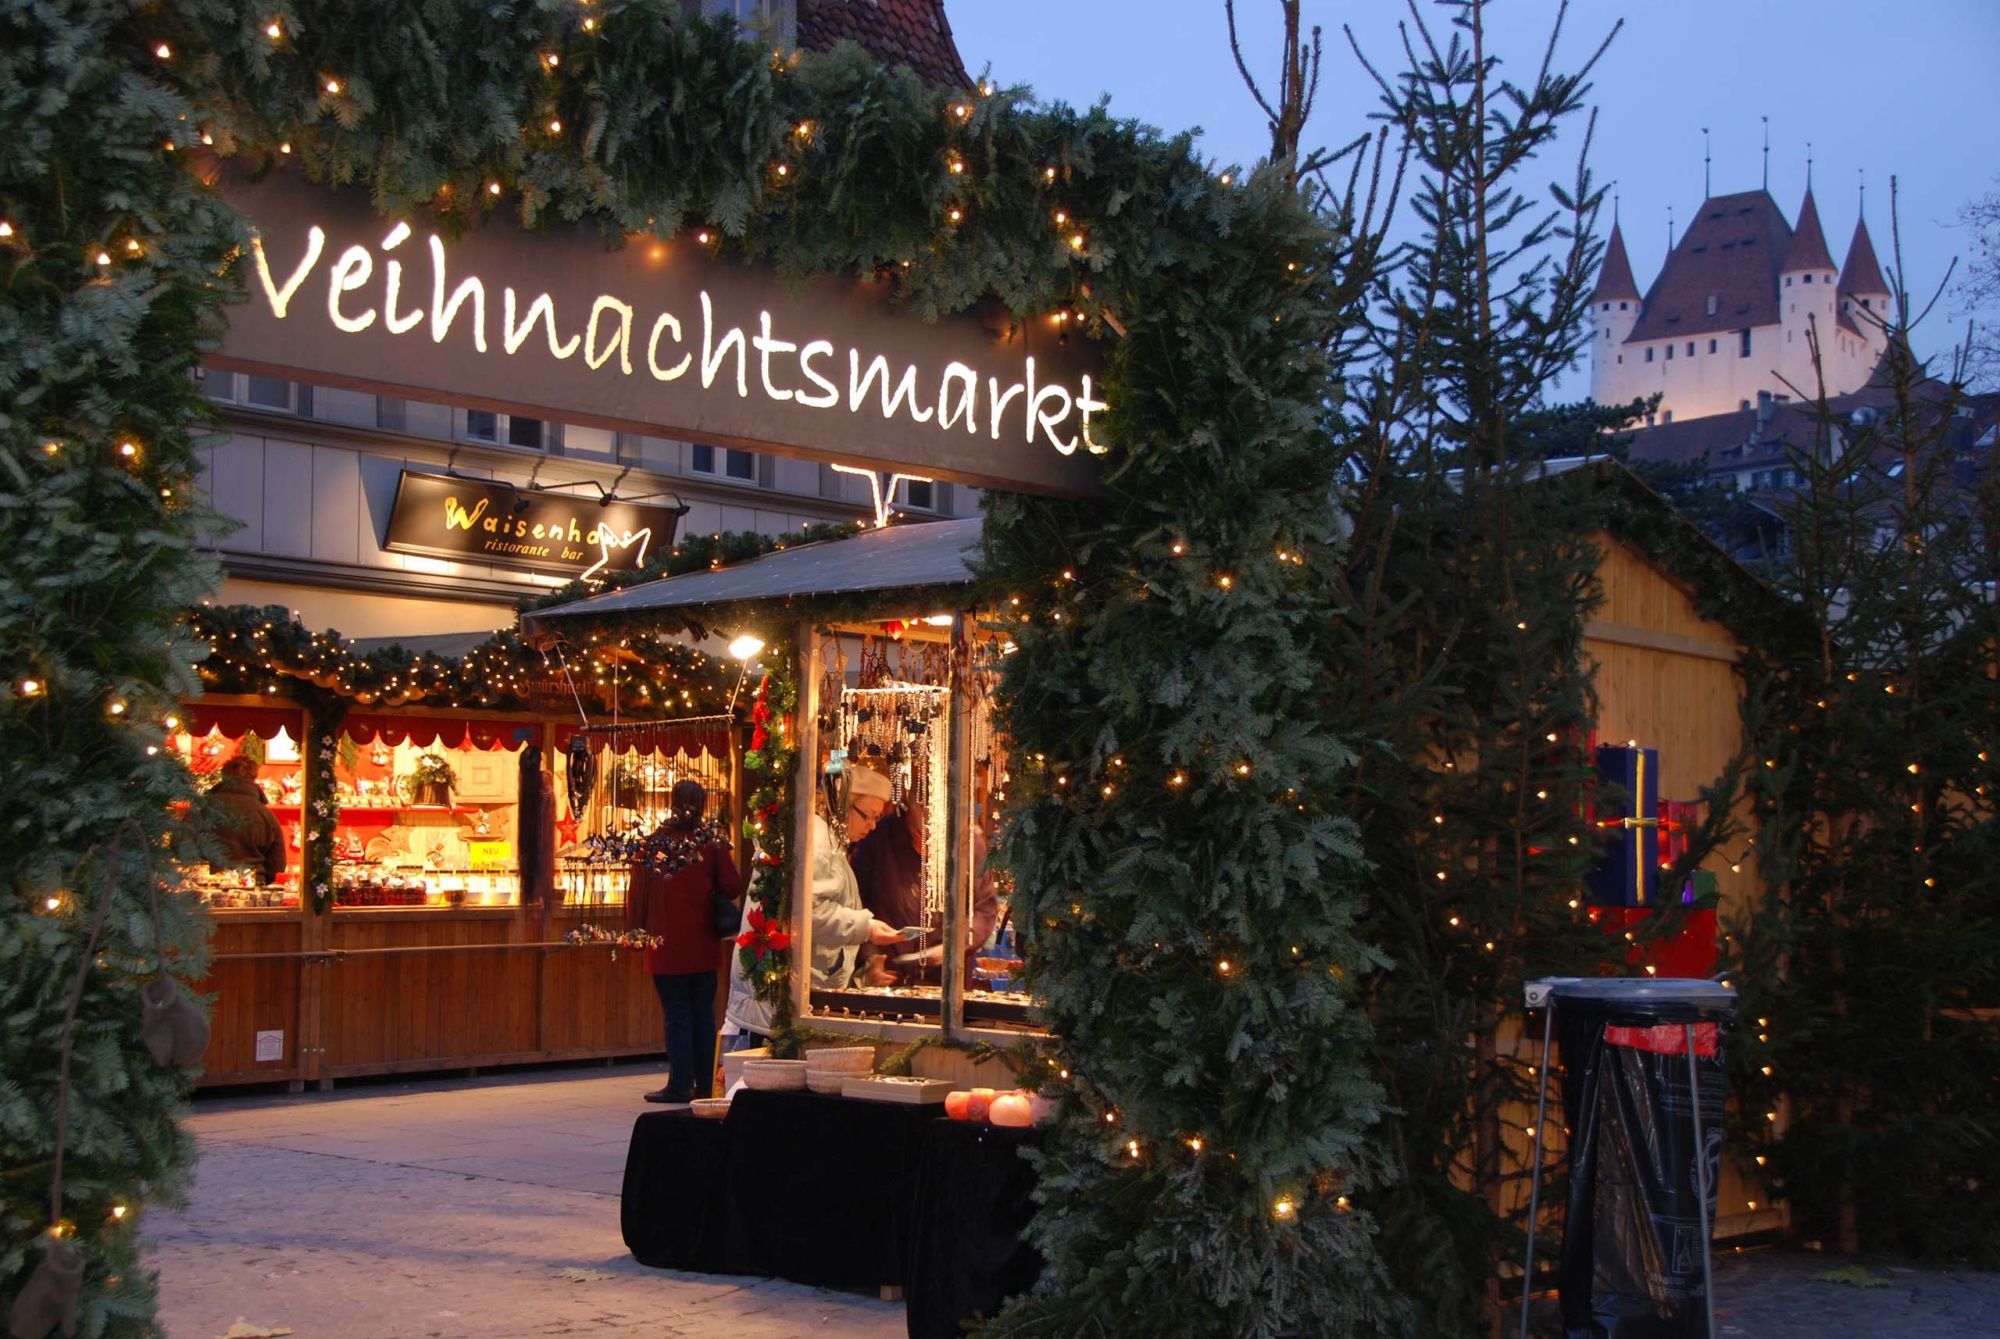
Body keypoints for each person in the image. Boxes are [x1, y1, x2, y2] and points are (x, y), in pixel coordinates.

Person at [722, 763, 906, 1046]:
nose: (872, 826)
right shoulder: (819, 842)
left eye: (877, 818)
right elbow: (808, 912)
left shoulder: (828, 840)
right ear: (844, 805)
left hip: (786, 989)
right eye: (868, 816)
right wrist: (865, 927)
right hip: (783, 994)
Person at [628, 780, 744, 1105]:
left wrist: (637, 930)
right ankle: (705, 1084)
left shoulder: (654, 843)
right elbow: (733, 885)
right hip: (702, 944)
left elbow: (637, 895)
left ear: (672, 803)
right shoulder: (711, 844)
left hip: (664, 945)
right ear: (704, 805)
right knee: (703, 1014)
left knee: (676, 1014)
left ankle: (680, 1083)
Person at [205, 755, 286, 884]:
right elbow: (277, 865)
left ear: (224, 777)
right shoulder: (266, 815)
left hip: (207, 885)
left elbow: (180, 845)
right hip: (252, 887)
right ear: (253, 778)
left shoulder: (203, 809)